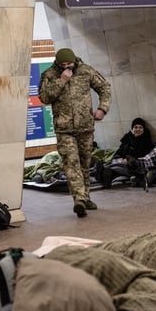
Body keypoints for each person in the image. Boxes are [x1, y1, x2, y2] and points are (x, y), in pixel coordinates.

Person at [38, 48, 111, 218]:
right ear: (58, 63)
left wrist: (102, 109)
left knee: (85, 164)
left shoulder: (86, 70)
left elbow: (104, 87)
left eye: (69, 63)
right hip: (65, 129)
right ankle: (78, 199)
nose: (67, 67)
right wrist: (61, 81)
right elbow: (44, 98)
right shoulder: (49, 75)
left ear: (74, 60)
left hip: (85, 126)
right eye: (63, 64)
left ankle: (85, 198)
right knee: (71, 164)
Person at [99, 117, 155, 188]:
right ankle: (104, 173)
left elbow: (146, 157)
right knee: (111, 163)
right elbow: (119, 151)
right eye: (135, 127)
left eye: (140, 127)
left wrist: (129, 160)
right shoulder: (127, 139)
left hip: (135, 166)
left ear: (144, 129)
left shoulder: (146, 141)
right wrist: (120, 159)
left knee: (119, 168)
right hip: (122, 162)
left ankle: (104, 173)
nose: (138, 129)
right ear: (132, 129)